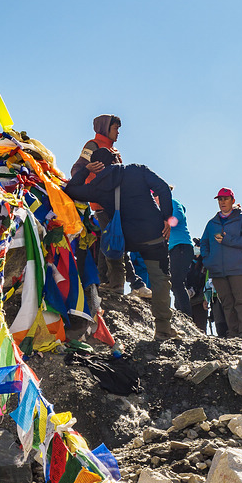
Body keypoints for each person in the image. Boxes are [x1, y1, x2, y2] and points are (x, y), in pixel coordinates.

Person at [65, 149, 178, 341]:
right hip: (153, 234)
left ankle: (116, 286)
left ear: (96, 167)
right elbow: (163, 188)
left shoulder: (97, 186)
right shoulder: (137, 170)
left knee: (115, 253)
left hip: (125, 239)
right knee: (160, 280)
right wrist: (167, 218)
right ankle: (163, 329)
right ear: (116, 159)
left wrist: (85, 171)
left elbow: (70, 190)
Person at [71, 115, 149, 299]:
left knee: (113, 241)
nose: (118, 132)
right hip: (102, 202)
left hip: (117, 203)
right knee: (115, 242)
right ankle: (124, 284)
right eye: (115, 128)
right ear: (105, 128)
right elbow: (77, 169)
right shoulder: (93, 145)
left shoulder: (114, 150)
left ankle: (105, 281)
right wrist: (89, 169)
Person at [200, 188, 242, 337]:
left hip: (238, 269)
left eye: (225, 199)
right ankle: (233, 334)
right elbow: (204, 243)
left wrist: (228, 240)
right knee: (227, 304)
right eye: (220, 199)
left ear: (232, 200)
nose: (222, 202)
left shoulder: (241, 219)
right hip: (218, 271)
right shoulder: (211, 223)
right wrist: (208, 261)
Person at [168, 194, 194, 317]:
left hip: (182, 246)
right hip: (173, 248)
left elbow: (179, 216)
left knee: (177, 281)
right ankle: (180, 313)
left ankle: (186, 315)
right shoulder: (158, 209)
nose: (154, 197)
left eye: (156, 194)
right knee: (174, 283)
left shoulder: (173, 202)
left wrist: (164, 223)